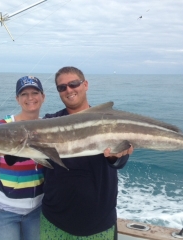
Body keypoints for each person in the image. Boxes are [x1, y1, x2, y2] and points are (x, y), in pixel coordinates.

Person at [40, 66, 134, 239]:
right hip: (54, 221)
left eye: (73, 84)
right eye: (62, 87)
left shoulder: (109, 122)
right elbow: (22, 147)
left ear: (85, 84)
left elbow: (119, 162)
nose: (68, 90)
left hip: (99, 224)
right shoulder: (48, 122)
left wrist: (116, 156)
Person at [0, 76, 45, 240]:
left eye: (34, 92)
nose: (30, 98)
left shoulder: (48, 127)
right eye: (24, 94)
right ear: (17, 99)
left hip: (38, 210)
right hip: (4, 211)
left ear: (43, 97)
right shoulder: (0, 128)